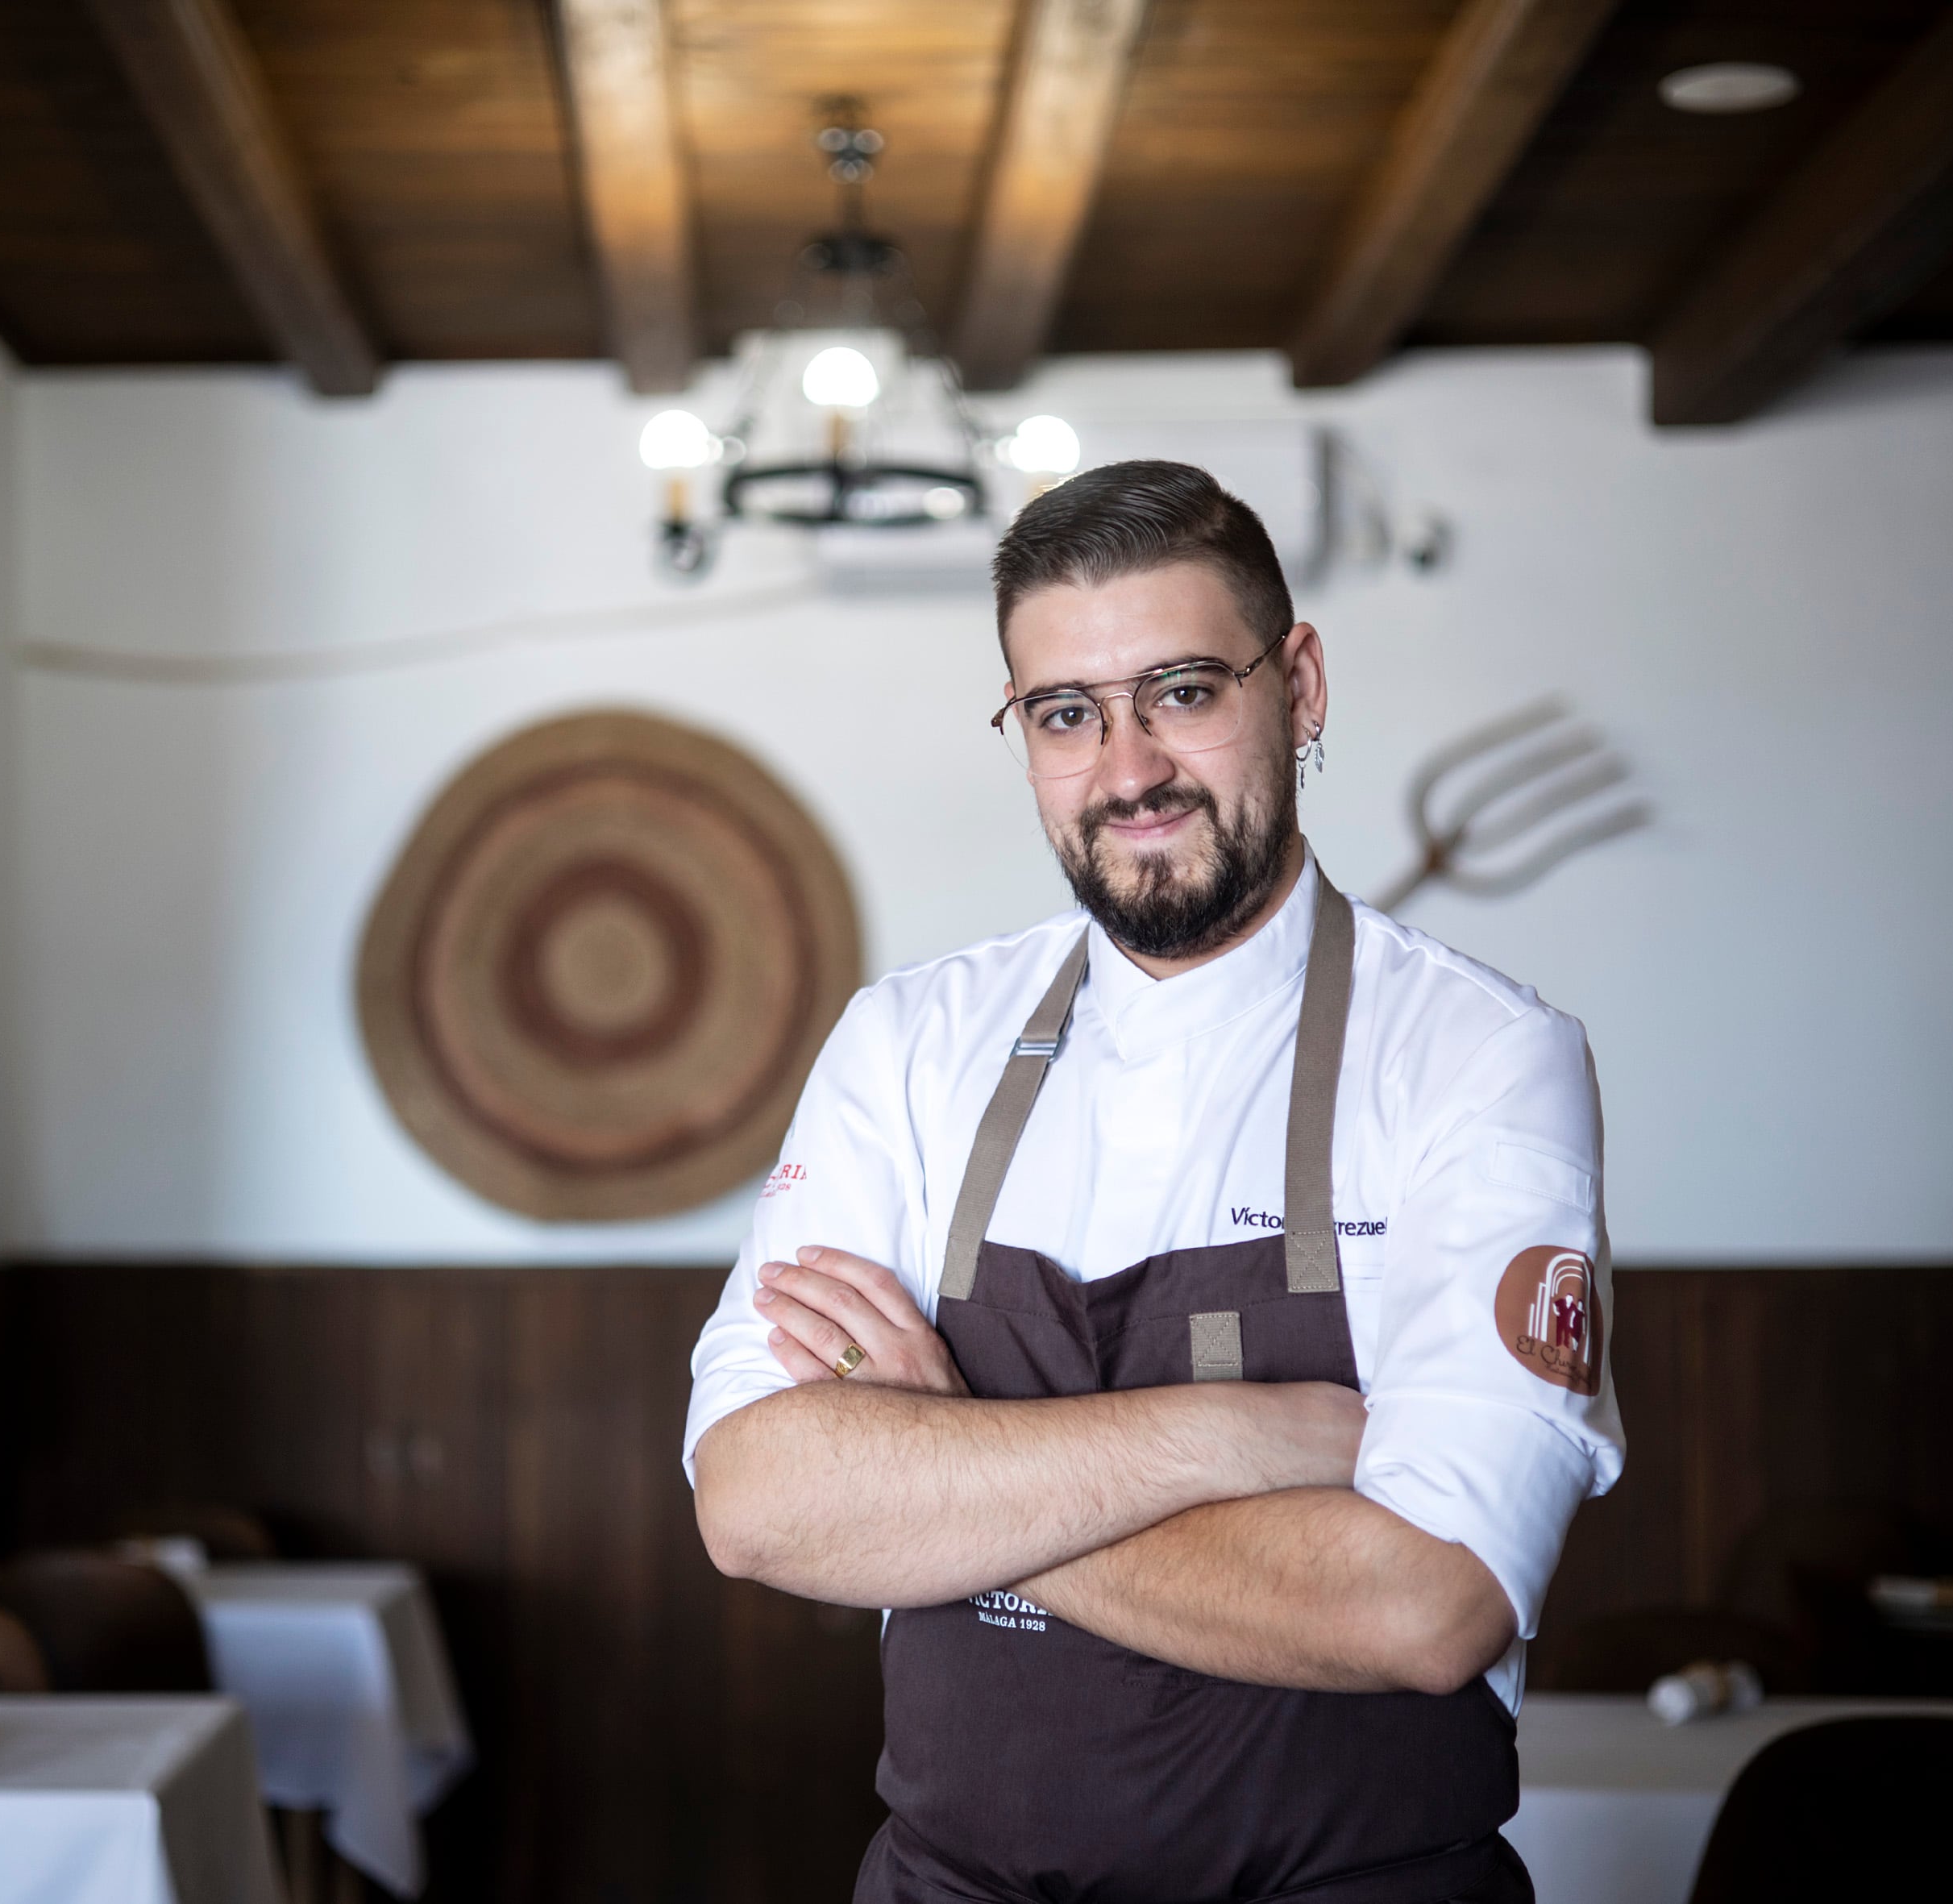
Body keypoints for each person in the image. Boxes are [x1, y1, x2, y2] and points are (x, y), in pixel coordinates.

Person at [684, 460, 1622, 1903]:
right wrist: (1249, 1437)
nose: (1127, 769)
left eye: (1182, 690)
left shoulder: (1482, 1060)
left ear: (1299, 686)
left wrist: (949, 1465)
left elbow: (1430, 1604)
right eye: (1067, 713)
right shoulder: (911, 1044)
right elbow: (758, 1500)